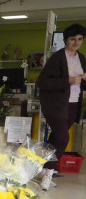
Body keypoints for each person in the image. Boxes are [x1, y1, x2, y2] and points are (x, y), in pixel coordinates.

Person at [36, 23, 86, 190]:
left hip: (73, 104)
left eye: (80, 39)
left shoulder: (82, 58)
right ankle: (50, 172)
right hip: (56, 105)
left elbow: (82, 84)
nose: (76, 42)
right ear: (66, 40)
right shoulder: (57, 57)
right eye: (73, 39)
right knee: (63, 138)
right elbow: (42, 82)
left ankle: (42, 171)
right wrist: (68, 80)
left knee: (55, 138)